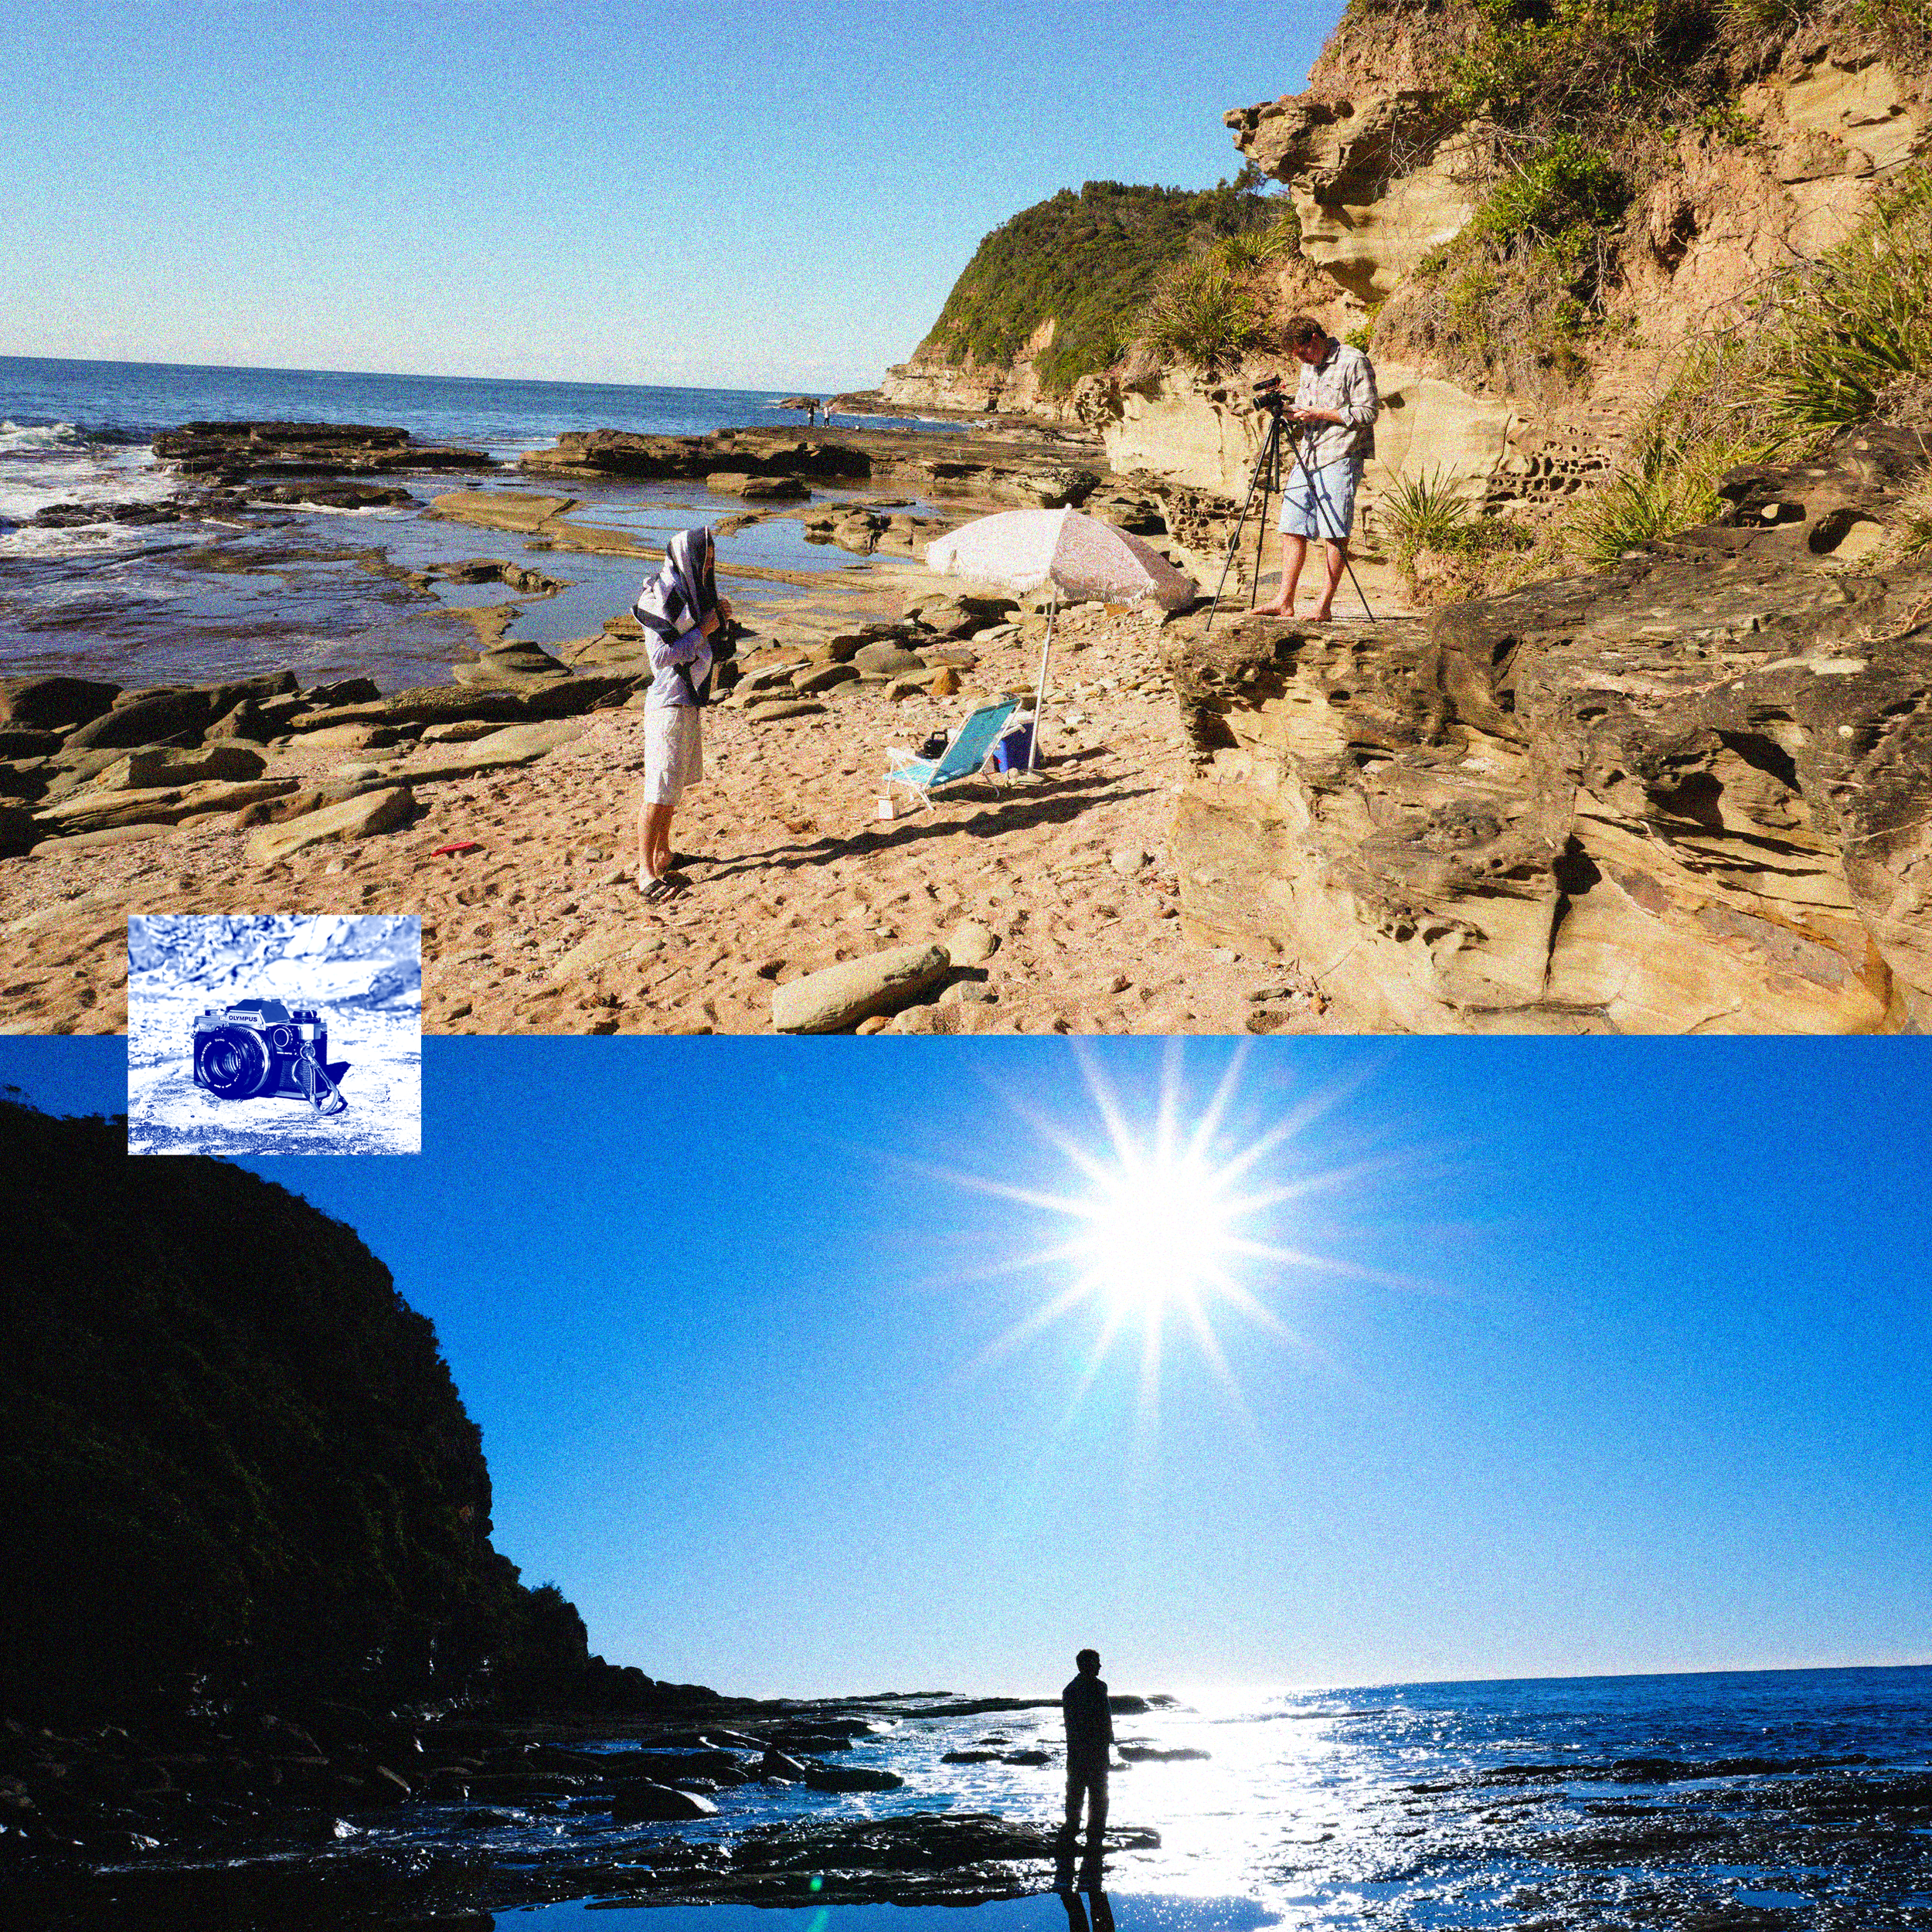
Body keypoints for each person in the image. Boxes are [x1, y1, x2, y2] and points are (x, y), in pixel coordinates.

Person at [1255, 315, 1379, 623]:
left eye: (1302, 352)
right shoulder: (1308, 366)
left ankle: (1324, 606)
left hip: (1341, 454)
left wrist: (1321, 413)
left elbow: (1368, 412)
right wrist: (1284, 410)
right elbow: (1304, 408)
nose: (1301, 360)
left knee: (1334, 531)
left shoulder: (1353, 361)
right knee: (1292, 525)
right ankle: (1284, 601)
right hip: (1308, 454)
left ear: (1314, 339)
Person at [634, 526, 729, 897]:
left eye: (711, 557)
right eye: (705, 557)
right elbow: (660, 657)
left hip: (687, 700)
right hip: (668, 702)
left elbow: (711, 644)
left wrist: (720, 621)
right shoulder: (660, 598)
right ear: (687, 557)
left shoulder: (693, 595)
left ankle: (664, 855)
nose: (709, 564)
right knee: (658, 791)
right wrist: (703, 630)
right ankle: (645, 873)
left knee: (672, 788)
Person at [1061, 1646, 1114, 1876]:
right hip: (1083, 1749)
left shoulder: (1097, 1687)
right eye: (1096, 1662)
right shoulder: (1074, 1690)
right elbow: (1075, 1723)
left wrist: (1107, 1741)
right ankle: (1078, 1829)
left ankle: (1091, 1831)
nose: (1100, 1666)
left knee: (1094, 1792)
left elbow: (1105, 1718)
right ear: (1085, 1665)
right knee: (1082, 1791)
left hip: (1093, 1749)